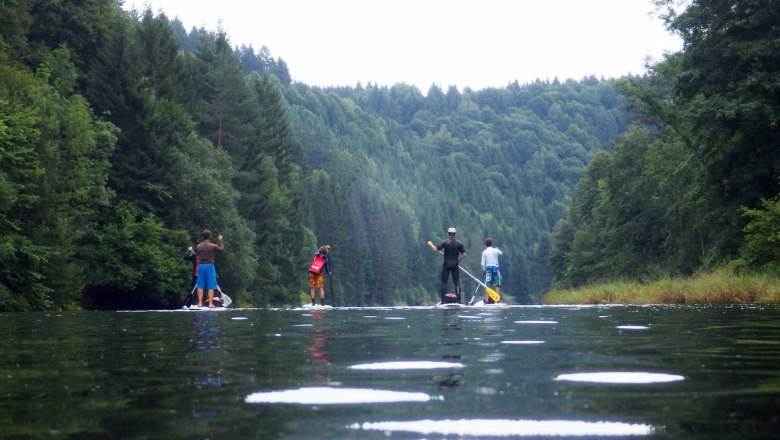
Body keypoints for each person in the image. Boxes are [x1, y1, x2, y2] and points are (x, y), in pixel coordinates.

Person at [427, 227, 467, 304]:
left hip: (446, 265)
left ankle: (443, 301)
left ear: (448, 234)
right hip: (455, 265)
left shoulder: (444, 242)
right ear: (455, 234)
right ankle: (459, 300)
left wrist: (430, 244)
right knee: (457, 283)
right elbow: (464, 254)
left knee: (444, 283)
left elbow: (435, 250)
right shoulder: (459, 243)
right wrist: (458, 260)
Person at [195, 230, 224, 308]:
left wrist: (217, 243)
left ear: (203, 237)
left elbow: (214, 248)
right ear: (210, 237)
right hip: (209, 266)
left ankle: (199, 303)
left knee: (200, 285)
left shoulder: (198, 246)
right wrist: (220, 241)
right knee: (211, 285)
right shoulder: (212, 246)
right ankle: (210, 304)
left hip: (200, 266)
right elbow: (220, 249)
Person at [480, 238, 503, 303]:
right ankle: (497, 300)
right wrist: (497, 249)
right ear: (492, 243)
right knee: (497, 284)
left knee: (487, 285)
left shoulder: (484, 252)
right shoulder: (495, 250)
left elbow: (482, 264)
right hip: (495, 268)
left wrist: (484, 270)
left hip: (488, 269)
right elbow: (500, 253)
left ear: (486, 244)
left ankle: (487, 300)